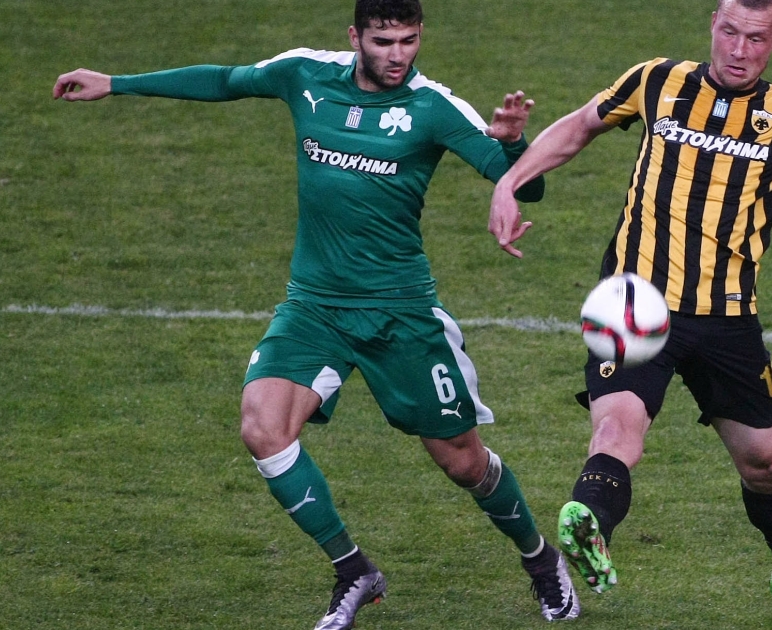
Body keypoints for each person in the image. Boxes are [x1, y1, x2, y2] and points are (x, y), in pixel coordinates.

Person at [53, 0, 580, 626]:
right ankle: (353, 569)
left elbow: (526, 184)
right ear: (355, 36)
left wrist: (514, 143)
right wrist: (116, 82)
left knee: (462, 462)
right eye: (383, 41)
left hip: (400, 315)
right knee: (263, 429)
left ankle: (540, 558)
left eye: (409, 40)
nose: (398, 55)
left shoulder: (433, 106)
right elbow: (224, 80)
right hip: (314, 307)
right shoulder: (303, 73)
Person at [488, 0, 772, 628]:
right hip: (635, 300)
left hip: (727, 318)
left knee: (766, 465)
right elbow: (577, 127)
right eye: (730, 32)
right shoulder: (656, 80)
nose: (739, 49)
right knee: (617, 433)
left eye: (755, 38)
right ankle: (589, 522)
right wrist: (509, 181)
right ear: (713, 23)